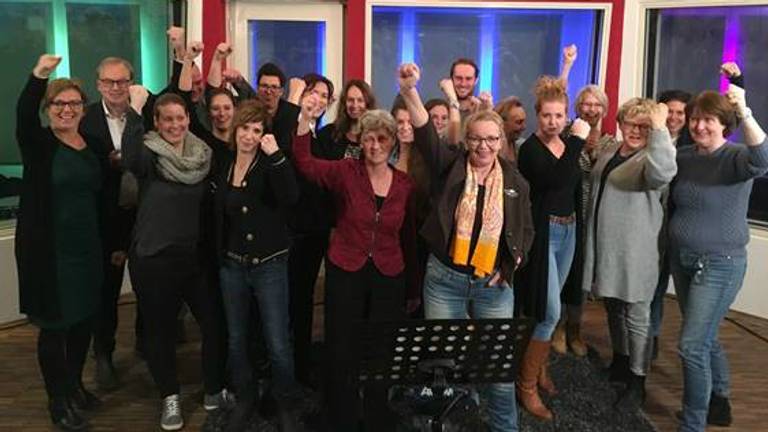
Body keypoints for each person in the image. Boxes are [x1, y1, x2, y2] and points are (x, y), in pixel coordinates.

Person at [399, 62, 534, 432]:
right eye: (477, 138)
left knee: (498, 368)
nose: (484, 146)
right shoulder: (451, 165)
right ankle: (453, 422)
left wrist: (509, 267)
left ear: (501, 141)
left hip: (493, 285)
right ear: (467, 140)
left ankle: (505, 427)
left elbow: (525, 232)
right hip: (445, 278)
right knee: (444, 363)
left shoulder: (516, 182)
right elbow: (426, 133)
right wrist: (410, 90)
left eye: (492, 139)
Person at [293, 96, 416, 431]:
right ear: (360, 140)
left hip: (389, 271)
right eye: (368, 138)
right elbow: (305, 163)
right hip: (345, 266)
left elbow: (407, 236)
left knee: (382, 346)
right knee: (341, 345)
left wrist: (412, 285)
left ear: (392, 142)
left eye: (382, 139)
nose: (374, 145)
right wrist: (304, 120)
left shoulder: (404, 184)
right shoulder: (346, 172)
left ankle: (376, 412)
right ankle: (341, 414)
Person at [123, 43, 227, 431]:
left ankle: (215, 389)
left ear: (188, 119)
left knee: (214, 326)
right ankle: (169, 396)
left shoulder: (202, 155)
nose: (174, 125)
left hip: (194, 258)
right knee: (160, 332)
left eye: (179, 118)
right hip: (153, 258)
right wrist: (134, 114)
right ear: (156, 122)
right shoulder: (148, 154)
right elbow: (130, 158)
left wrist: (200, 62)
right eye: (166, 119)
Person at [670, 83, 768, 432]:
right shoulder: (684, 156)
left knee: (691, 344)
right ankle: (721, 396)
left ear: (724, 123)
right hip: (682, 259)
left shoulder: (738, 156)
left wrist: (746, 111)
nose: (699, 126)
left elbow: (764, 159)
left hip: (720, 264)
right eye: (695, 119)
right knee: (705, 336)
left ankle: (694, 423)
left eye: (708, 120)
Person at [16, 54, 105, 431]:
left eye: (73, 103)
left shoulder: (94, 144)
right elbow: (21, 113)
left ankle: (75, 385)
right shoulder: (39, 144)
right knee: (55, 328)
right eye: (58, 104)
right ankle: (58, 400)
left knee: (83, 321)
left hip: (88, 250)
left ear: (83, 109)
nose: (66, 110)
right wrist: (38, 75)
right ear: (48, 108)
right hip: (50, 254)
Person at [212, 99, 302, 431]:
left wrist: (276, 154)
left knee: (277, 341)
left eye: (257, 130)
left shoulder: (269, 164)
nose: (250, 136)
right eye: (245, 128)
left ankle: (285, 404)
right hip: (232, 266)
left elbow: (291, 196)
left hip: (269, 265)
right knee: (236, 338)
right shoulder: (224, 163)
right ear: (235, 129)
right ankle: (245, 398)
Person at [582, 98, 677, 411]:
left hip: (637, 251)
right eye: (630, 124)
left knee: (637, 316)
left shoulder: (654, 157)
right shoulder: (612, 149)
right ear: (620, 124)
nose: (635, 131)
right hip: (606, 246)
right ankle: (621, 361)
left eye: (643, 126)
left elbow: (664, 172)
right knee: (613, 306)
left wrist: (660, 127)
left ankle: (638, 380)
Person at [514, 76, 590, 420]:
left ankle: (540, 366)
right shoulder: (529, 149)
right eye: (547, 115)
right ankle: (525, 384)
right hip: (544, 234)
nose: (553, 122)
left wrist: (573, 143)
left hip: (568, 231)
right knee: (549, 312)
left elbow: (572, 189)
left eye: (559, 116)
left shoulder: (567, 143)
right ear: (537, 115)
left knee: (550, 310)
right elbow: (555, 179)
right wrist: (576, 141)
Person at [78, 56, 143, 391]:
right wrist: (111, 164)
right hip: (106, 219)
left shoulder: (143, 113)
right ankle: (103, 353)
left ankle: (148, 345)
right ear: (99, 84)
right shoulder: (84, 119)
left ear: (131, 81)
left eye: (122, 81)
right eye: (109, 82)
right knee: (107, 292)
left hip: (145, 216)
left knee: (150, 286)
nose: (116, 87)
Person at [283, 73, 337, 387]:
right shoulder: (289, 127)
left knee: (303, 301)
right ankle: (289, 370)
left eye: (324, 95)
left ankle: (301, 364)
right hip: (292, 232)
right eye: (312, 92)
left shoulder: (323, 137)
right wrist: (294, 100)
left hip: (316, 232)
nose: (317, 99)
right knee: (290, 302)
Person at [552, 84, 614, 358]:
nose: (591, 109)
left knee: (583, 276)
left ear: (604, 109)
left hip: (596, 215)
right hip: (570, 211)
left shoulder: (611, 142)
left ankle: (575, 328)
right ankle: (558, 328)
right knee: (566, 273)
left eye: (596, 104)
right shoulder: (566, 135)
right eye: (586, 104)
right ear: (578, 107)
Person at [316, 79, 377, 160]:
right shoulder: (328, 134)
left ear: (368, 103)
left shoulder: (377, 136)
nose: (355, 105)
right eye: (350, 100)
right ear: (344, 104)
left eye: (360, 100)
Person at [494, 96, 527, 161]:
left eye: (524, 121)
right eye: (519, 122)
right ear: (502, 123)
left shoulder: (522, 147)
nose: (524, 127)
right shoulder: (489, 151)